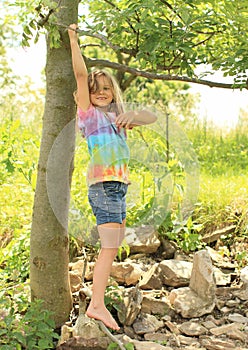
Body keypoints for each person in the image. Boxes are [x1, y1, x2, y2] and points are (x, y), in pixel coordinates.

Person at [68, 23, 157, 330]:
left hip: (118, 188)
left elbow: (152, 116)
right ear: (88, 96)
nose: (101, 93)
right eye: (95, 90)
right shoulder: (88, 115)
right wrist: (72, 37)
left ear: (114, 92)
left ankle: (97, 300)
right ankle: (96, 304)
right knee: (109, 246)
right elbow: (81, 75)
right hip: (103, 187)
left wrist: (133, 115)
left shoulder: (118, 118)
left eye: (106, 89)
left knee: (113, 243)